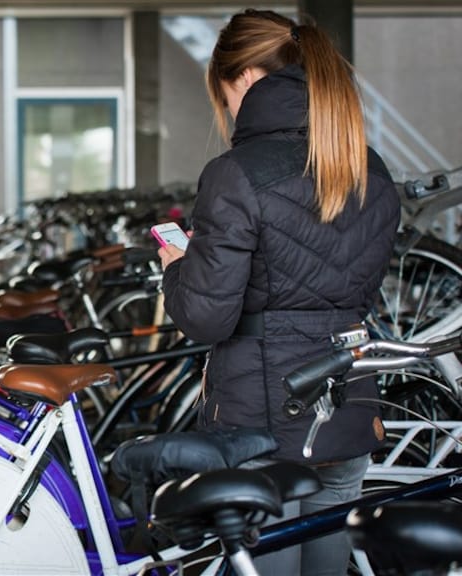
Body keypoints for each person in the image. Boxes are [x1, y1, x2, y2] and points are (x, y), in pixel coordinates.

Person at [156, 9, 400, 575]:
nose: (227, 111)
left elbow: (206, 318)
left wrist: (178, 267)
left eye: (223, 95)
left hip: (260, 422)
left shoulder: (236, 173)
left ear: (243, 77)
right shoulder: (371, 168)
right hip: (346, 405)